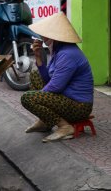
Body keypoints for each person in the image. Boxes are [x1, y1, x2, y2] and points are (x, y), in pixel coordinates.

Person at [21, 12, 93, 142]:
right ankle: (45, 121)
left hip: (79, 106)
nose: (42, 37)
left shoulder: (67, 54)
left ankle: (64, 127)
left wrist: (37, 98)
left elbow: (55, 86)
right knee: (35, 74)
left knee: (28, 98)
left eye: (45, 34)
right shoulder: (59, 50)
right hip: (66, 98)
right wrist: (38, 56)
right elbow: (48, 78)